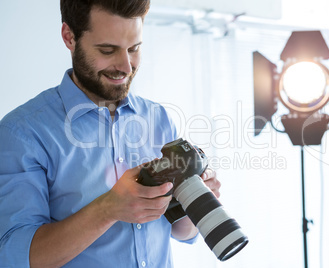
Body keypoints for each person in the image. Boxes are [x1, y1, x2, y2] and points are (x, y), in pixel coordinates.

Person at [0, 0, 221, 267]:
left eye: (134, 48)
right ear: (69, 37)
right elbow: (15, 256)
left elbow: (181, 232)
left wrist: (195, 200)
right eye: (108, 50)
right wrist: (108, 209)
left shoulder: (158, 118)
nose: (126, 67)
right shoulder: (23, 133)